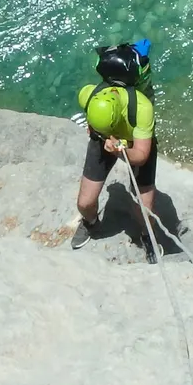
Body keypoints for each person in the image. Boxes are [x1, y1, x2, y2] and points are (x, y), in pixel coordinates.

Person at [72, 79, 159, 259]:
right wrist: (97, 132)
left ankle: (147, 235)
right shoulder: (89, 94)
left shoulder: (142, 108)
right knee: (84, 203)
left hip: (134, 144)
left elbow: (141, 156)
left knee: (145, 210)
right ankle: (91, 222)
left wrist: (119, 149)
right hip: (102, 141)